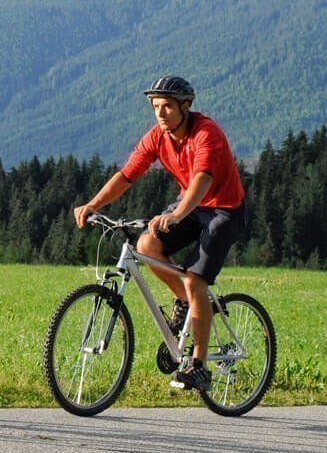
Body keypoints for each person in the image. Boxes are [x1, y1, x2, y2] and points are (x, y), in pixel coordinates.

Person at [72, 75, 246, 393]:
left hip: (223, 210)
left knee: (195, 279)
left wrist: (176, 214)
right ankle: (186, 302)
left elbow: (202, 180)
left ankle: (198, 365)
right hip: (191, 207)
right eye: (155, 107)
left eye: (167, 106)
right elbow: (127, 175)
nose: (160, 113)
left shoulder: (207, 133)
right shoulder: (157, 137)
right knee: (147, 243)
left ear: (185, 106)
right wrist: (93, 204)